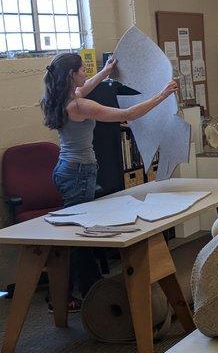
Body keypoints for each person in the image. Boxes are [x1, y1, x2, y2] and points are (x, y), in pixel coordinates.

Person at [39, 52, 179, 310]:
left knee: (75, 233)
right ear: (71, 75)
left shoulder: (61, 98)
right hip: (79, 173)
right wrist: (163, 95)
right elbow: (128, 113)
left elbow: (84, 87)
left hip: (66, 170)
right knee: (79, 238)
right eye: (82, 70)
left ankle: (72, 293)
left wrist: (105, 72)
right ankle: (80, 294)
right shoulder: (80, 106)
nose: (84, 74)